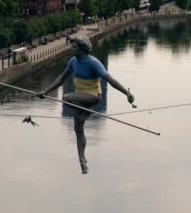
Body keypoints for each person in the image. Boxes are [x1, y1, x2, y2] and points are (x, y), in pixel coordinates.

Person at [37, 35, 134, 174]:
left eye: (75, 47)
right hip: (79, 99)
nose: (72, 49)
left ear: (82, 48)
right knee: (78, 129)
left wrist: (127, 93)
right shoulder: (72, 61)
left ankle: (86, 110)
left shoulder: (94, 63)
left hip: (93, 97)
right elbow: (61, 79)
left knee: (65, 97)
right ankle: (82, 161)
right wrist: (45, 91)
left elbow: (111, 80)